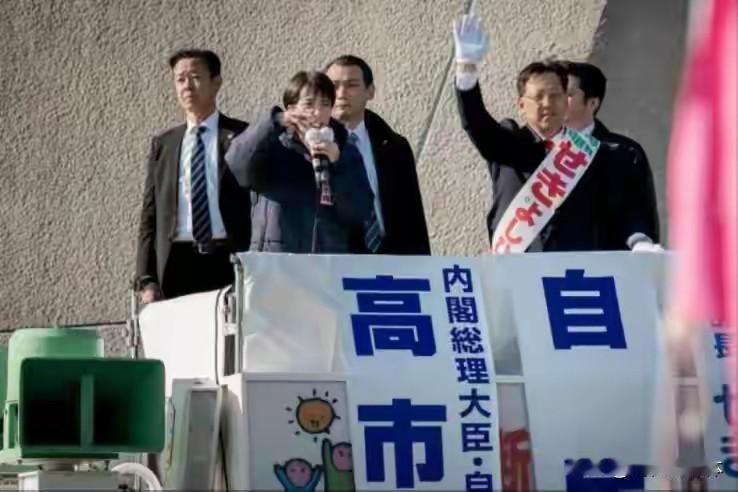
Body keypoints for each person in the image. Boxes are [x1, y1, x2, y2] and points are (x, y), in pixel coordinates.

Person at [453, 14, 638, 253]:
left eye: (555, 95)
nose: (547, 104)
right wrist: (467, 70)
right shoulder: (507, 143)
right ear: (521, 105)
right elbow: (477, 123)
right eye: (538, 97)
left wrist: (639, 241)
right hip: (516, 266)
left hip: (572, 269)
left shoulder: (591, 153)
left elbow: (619, 211)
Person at [135, 49, 250, 303]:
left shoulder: (241, 135)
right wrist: (145, 277)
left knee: (227, 328)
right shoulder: (164, 144)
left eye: (195, 77)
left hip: (226, 258)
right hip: (177, 261)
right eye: (180, 79)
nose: (186, 86)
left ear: (216, 82)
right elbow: (150, 214)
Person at [225, 70, 373, 253]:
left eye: (325, 104)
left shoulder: (344, 150)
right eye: (309, 104)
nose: (318, 112)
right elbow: (236, 164)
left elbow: (359, 211)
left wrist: (338, 163)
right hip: (277, 259)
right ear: (291, 109)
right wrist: (273, 122)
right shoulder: (272, 145)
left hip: (328, 260)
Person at [324, 55, 431, 255]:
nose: (341, 93)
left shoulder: (394, 146)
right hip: (336, 260)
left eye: (351, 85)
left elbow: (413, 215)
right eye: (334, 86)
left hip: (391, 259)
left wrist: (421, 262)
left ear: (370, 91)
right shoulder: (311, 145)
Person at [564, 61, 661, 250]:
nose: (555, 100)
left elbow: (638, 215)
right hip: (542, 265)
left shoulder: (623, 152)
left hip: (602, 263)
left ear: (592, 103)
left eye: (567, 94)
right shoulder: (534, 148)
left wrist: (641, 243)